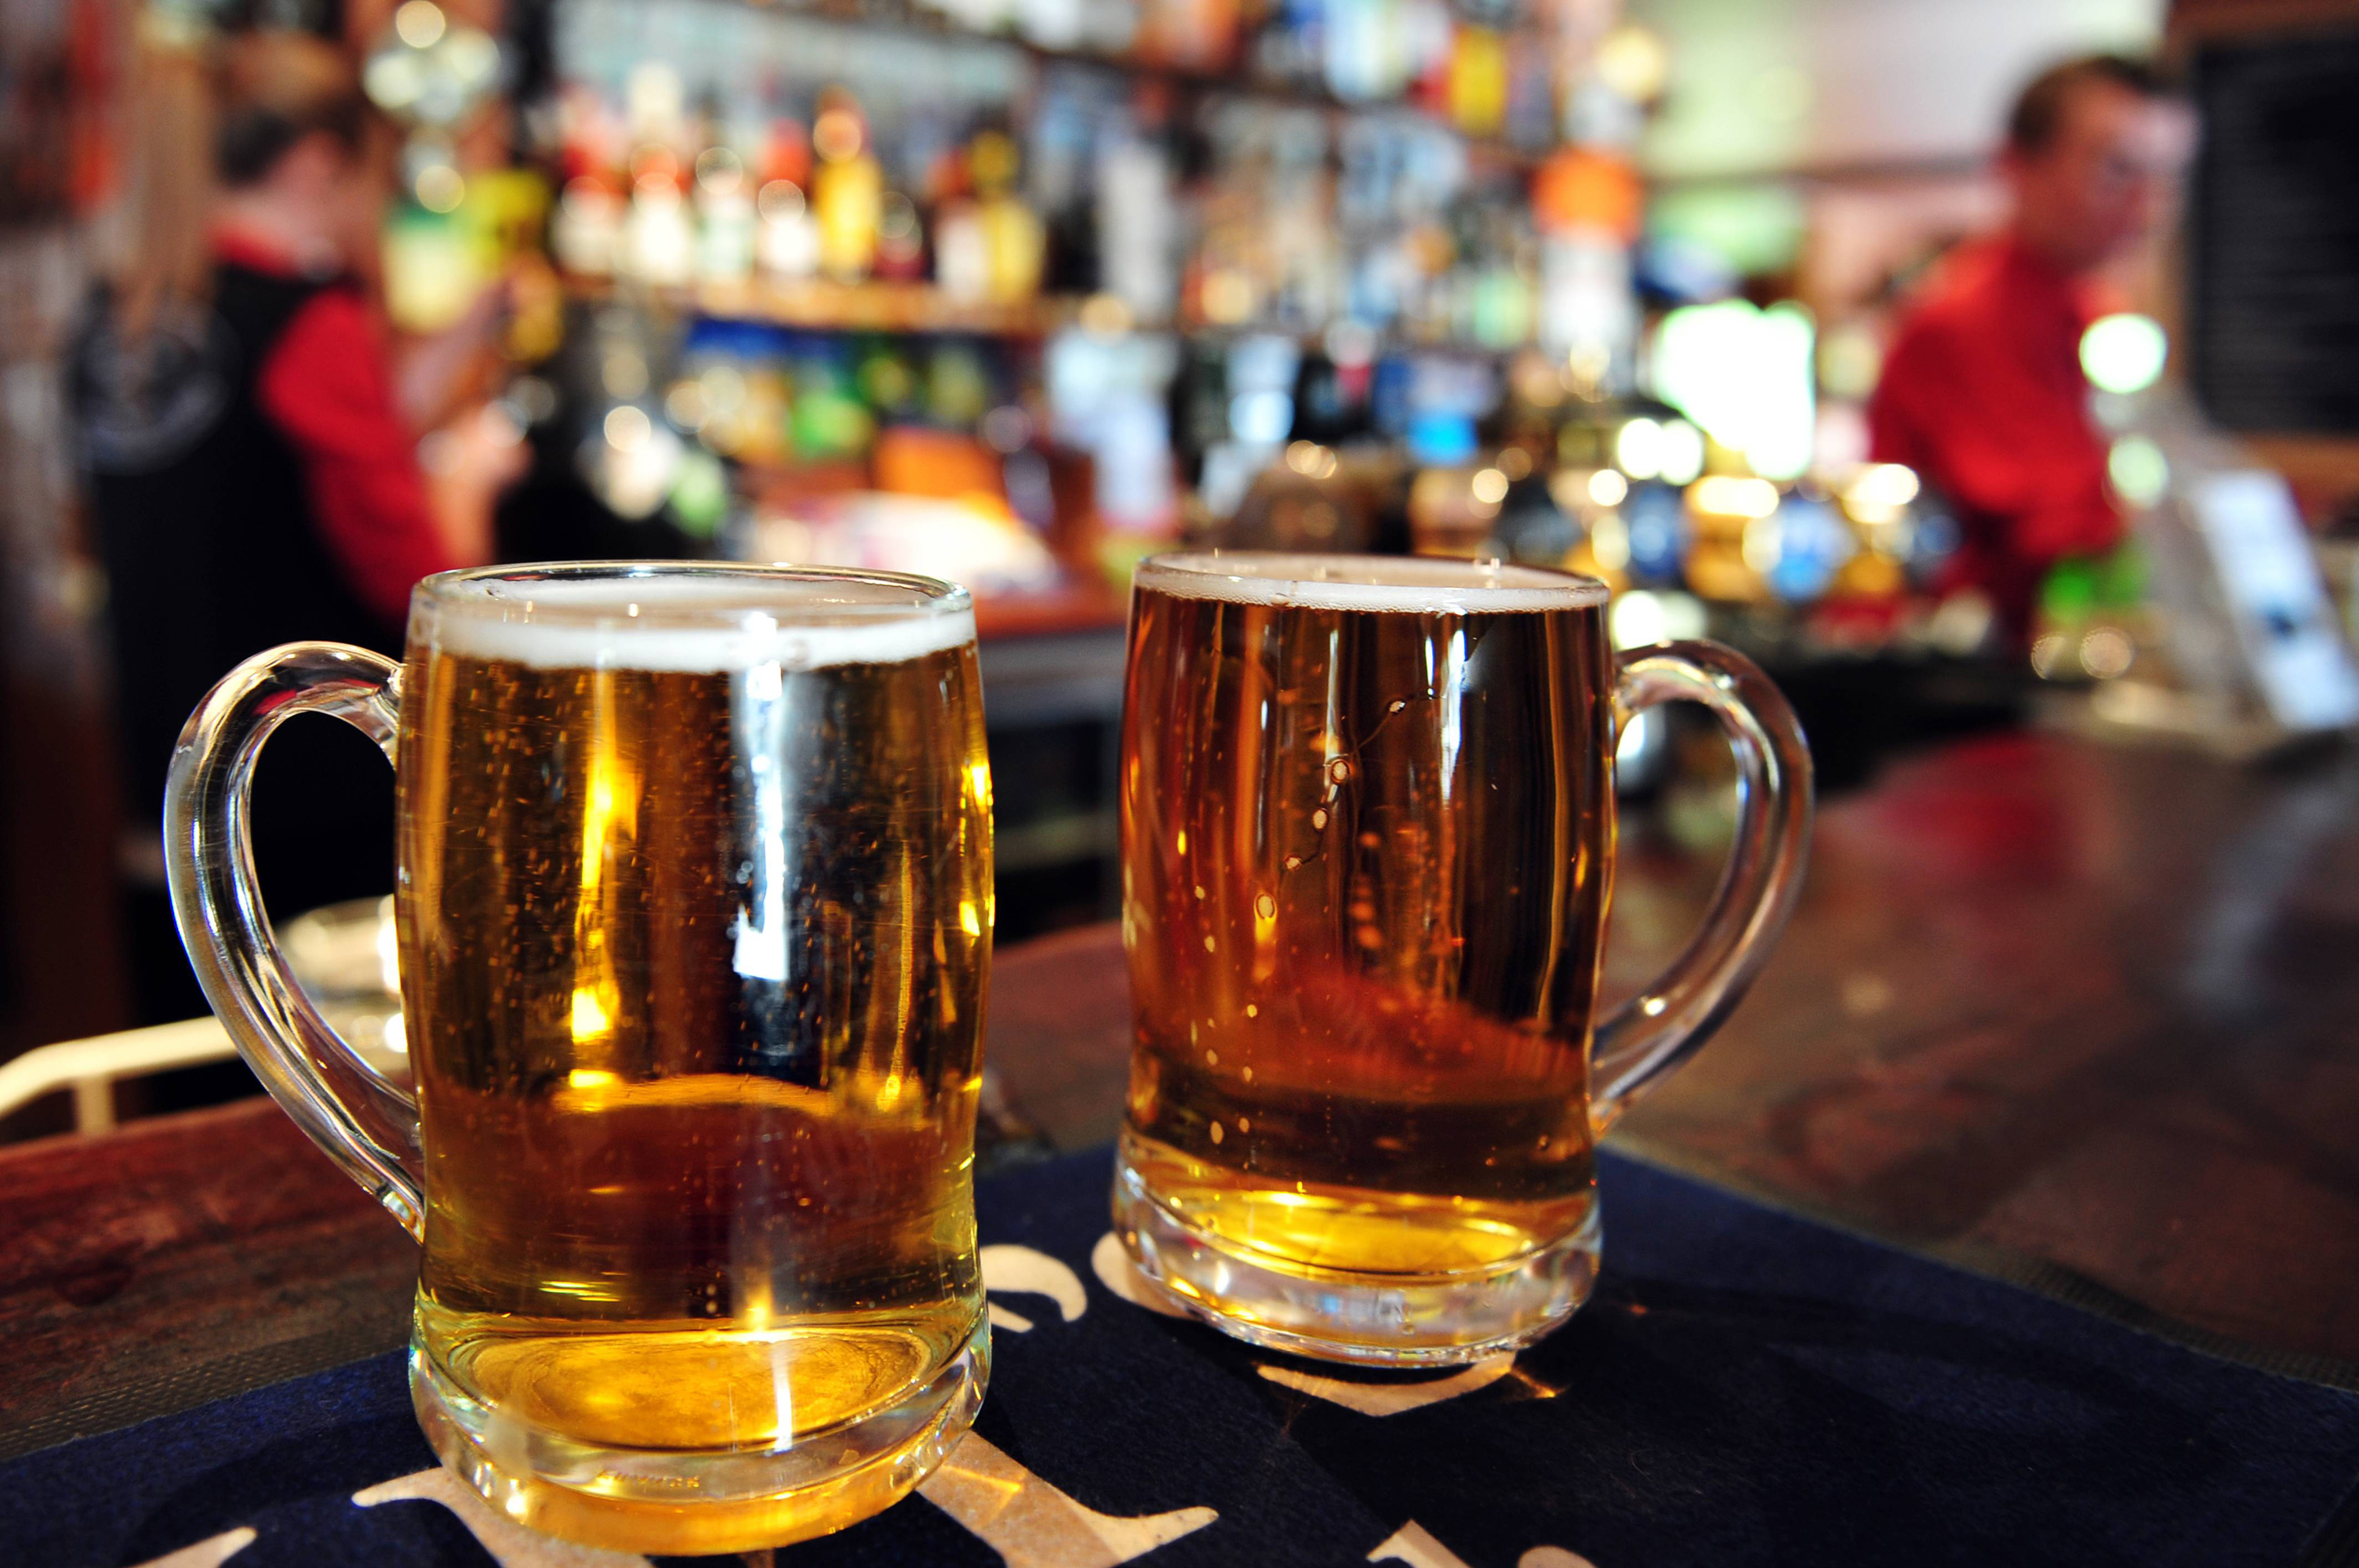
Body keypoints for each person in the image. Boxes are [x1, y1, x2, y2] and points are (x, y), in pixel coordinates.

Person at [71, 27, 514, 1029]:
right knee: (300, 1118)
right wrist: (468, 478)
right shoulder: (312, 321)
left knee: (182, 1091)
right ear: (321, 164)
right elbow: (427, 587)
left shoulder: (121, 317)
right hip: (296, 809)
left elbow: (238, 486)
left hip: (159, 799)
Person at [1868, 55, 2192, 646]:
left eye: (2167, 178)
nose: (2149, 208)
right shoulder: (1961, 321)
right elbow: (2055, 524)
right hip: (1973, 679)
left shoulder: (2101, 313)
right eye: (2118, 170)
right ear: (2017, 167)